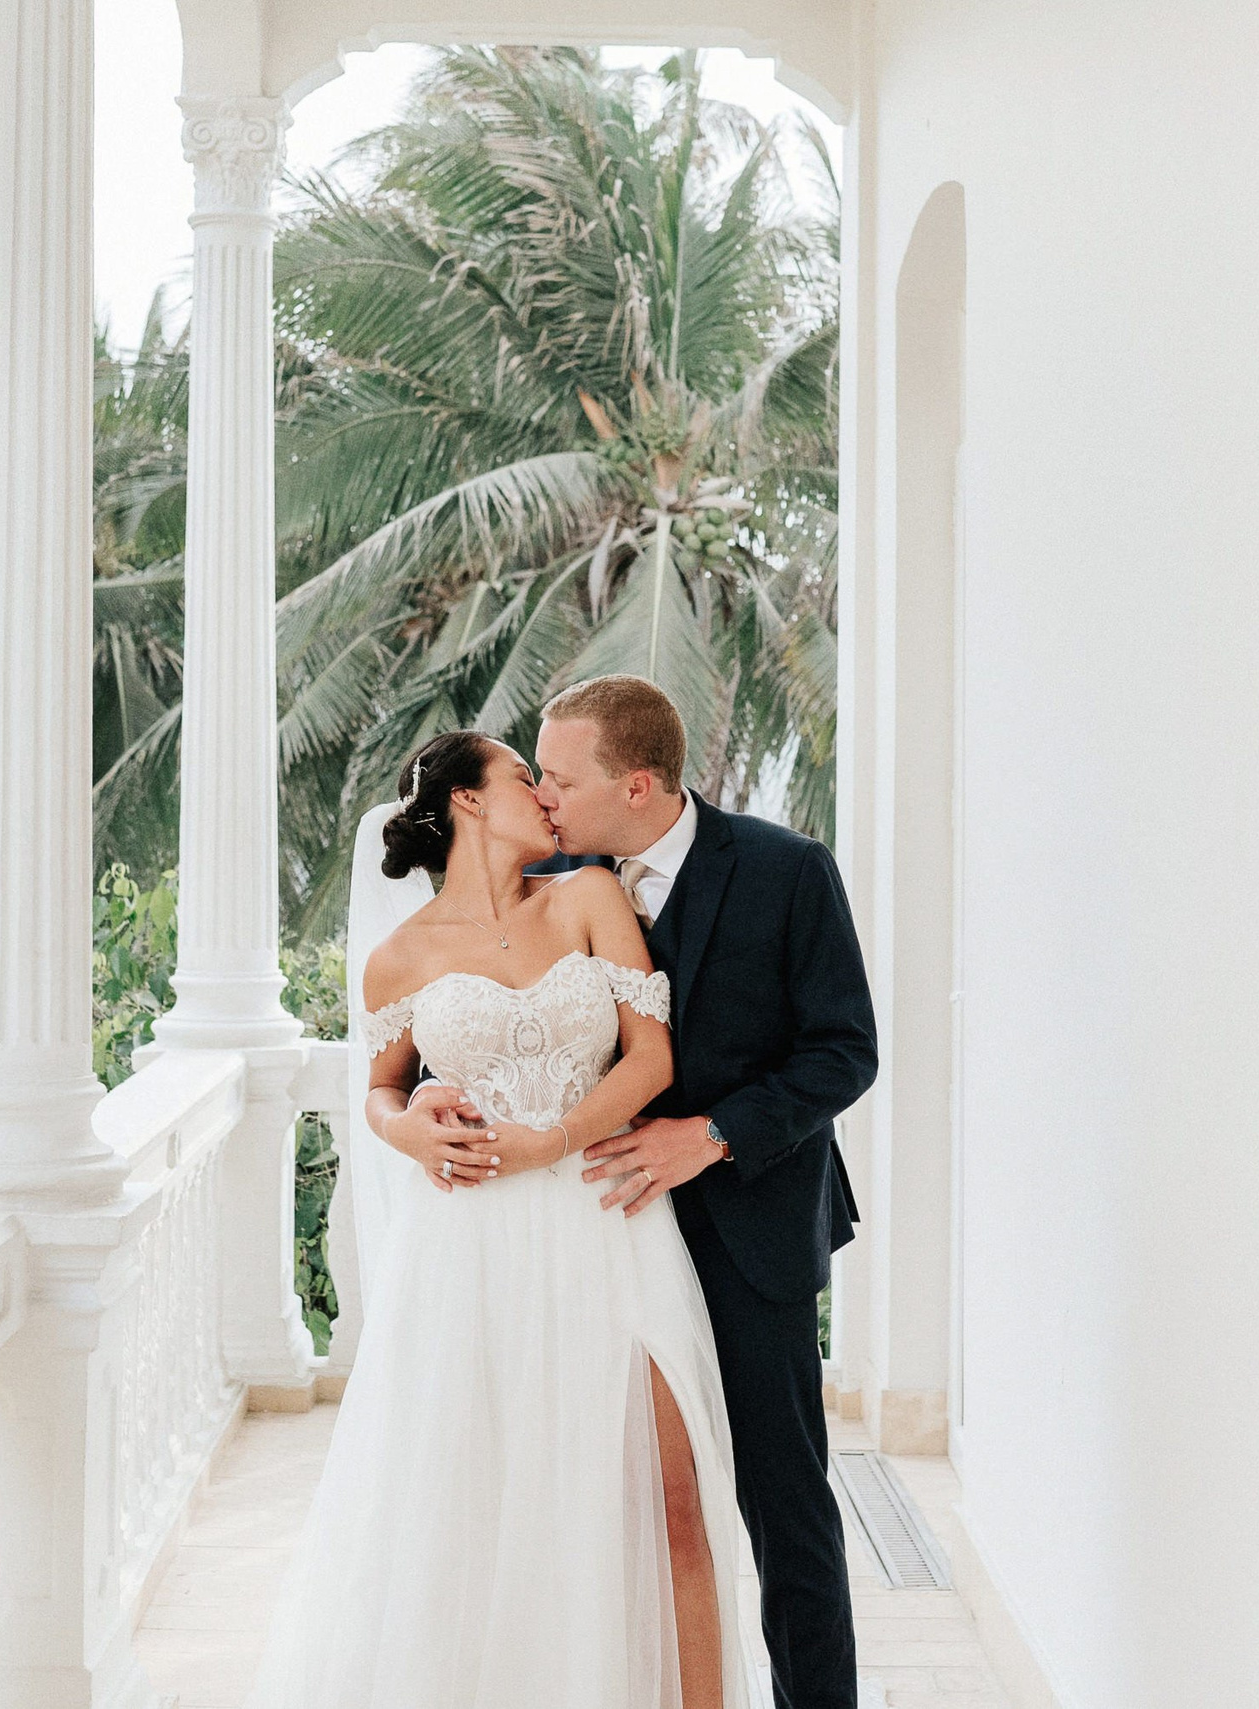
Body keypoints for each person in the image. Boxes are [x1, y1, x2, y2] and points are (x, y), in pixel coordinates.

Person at [242, 728, 761, 1709]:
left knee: (672, 1496)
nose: (548, 794)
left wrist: (552, 1138)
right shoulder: (398, 959)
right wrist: (413, 1132)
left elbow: (649, 1060)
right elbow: (383, 1091)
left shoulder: (588, 896)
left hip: (610, 1221)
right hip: (471, 1252)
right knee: (478, 1509)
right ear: (470, 801)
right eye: (527, 776)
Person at [520, 675, 877, 1709]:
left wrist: (713, 1134)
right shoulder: (540, 876)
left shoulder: (786, 869)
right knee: (612, 1494)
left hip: (751, 1232)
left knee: (783, 1500)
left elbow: (843, 1052)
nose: (542, 793)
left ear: (638, 784)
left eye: (559, 774)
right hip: (592, 1235)